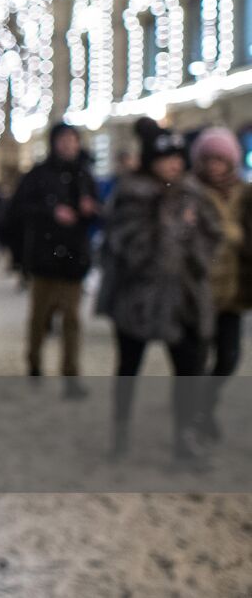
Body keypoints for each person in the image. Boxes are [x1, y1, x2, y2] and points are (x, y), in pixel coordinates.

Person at [99, 127, 221, 465]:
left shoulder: (192, 194)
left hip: (182, 299)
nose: (173, 166)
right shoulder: (133, 195)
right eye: (167, 159)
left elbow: (211, 239)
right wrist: (171, 225)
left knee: (188, 369)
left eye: (178, 159)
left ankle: (185, 437)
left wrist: (192, 244)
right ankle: (120, 432)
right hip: (137, 299)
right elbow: (131, 249)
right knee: (128, 368)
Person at [10, 122, 100, 394]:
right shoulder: (38, 175)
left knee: (72, 319)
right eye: (63, 140)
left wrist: (90, 210)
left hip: (73, 259)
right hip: (44, 258)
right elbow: (19, 209)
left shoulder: (85, 175)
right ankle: (34, 364)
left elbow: (97, 213)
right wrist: (51, 212)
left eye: (73, 140)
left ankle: (70, 375)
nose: (68, 145)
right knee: (40, 317)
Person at [190, 126, 248, 440]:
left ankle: (205, 403)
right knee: (197, 358)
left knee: (228, 357)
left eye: (220, 159)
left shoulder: (244, 193)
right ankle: (196, 415)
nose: (214, 166)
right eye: (209, 159)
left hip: (234, 290)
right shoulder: (190, 193)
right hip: (201, 291)